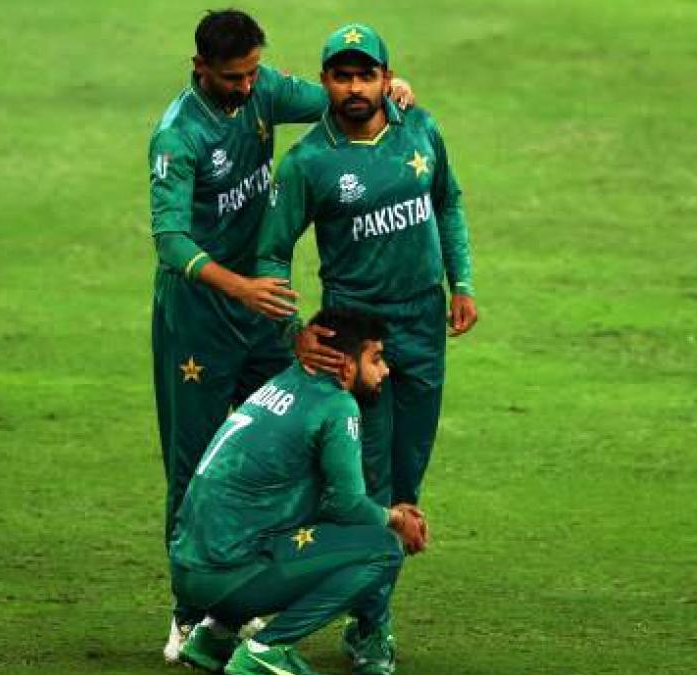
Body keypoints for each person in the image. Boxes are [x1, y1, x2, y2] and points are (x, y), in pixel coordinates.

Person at [147, 9, 415, 660]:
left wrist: (389, 88)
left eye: (251, 73)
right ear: (199, 67)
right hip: (200, 320)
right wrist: (240, 286)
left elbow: (336, 95)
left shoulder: (263, 88)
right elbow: (170, 240)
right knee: (196, 462)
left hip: (264, 313)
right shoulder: (178, 136)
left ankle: (241, 599)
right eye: (231, 78)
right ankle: (188, 613)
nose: (246, 87)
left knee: (291, 444)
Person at [254, 23, 478, 674]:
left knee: (408, 476)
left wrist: (461, 282)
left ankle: (357, 613)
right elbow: (271, 253)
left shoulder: (420, 129)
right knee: (371, 482)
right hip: (356, 342)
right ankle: (372, 626)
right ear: (325, 82)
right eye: (342, 76)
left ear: (386, 76)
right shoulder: (309, 162)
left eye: (365, 75)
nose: (354, 87)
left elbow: (448, 203)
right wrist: (292, 329)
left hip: (423, 326)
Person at [169, 307, 429, 675]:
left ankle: (213, 637)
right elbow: (346, 504)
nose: (385, 370)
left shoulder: (282, 383)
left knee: (294, 524)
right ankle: (265, 649)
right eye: (376, 358)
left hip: (187, 571)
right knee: (383, 549)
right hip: (228, 577)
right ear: (345, 365)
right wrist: (396, 519)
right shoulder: (336, 405)